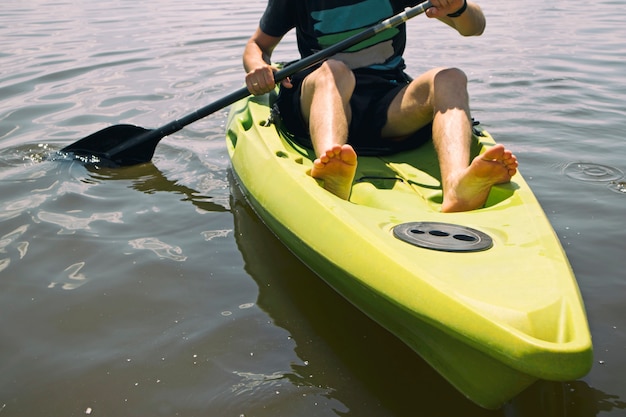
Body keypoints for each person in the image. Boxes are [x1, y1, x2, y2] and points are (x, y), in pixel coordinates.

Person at [242, 0, 518, 212]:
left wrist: (459, 8)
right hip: (322, 100)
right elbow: (257, 45)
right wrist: (258, 67)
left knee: (451, 78)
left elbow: (474, 27)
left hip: (385, 105)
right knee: (335, 70)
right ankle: (332, 168)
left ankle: (457, 186)